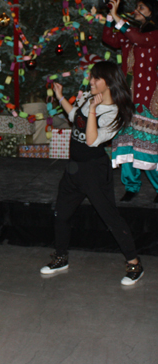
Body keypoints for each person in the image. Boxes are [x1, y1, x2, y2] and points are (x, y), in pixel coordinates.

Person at [40, 61, 144, 286]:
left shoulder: (114, 113)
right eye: (92, 77)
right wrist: (60, 97)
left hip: (94, 172)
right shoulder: (89, 98)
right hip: (73, 168)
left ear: (109, 82)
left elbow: (91, 139)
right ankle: (61, 257)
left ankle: (135, 263)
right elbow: (74, 119)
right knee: (61, 214)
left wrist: (94, 110)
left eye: (97, 78)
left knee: (110, 218)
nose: (91, 81)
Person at [103, 0, 158, 202]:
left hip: (148, 99)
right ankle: (131, 186)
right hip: (127, 98)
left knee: (147, 146)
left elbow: (138, 38)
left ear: (153, 13)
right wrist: (111, 15)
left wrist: (118, 18)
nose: (136, 10)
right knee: (126, 144)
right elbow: (108, 38)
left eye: (142, 8)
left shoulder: (153, 35)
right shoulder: (129, 34)